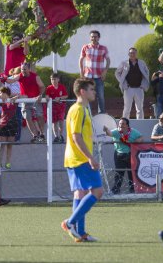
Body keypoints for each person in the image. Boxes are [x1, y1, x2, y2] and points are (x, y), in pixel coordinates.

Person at [61, 78, 102, 243]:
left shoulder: (77, 109)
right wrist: (90, 157)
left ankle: (81, 233)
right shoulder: (78, 109)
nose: (94, 92)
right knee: (98, 192)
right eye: (91, 89)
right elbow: (76, 136)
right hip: (80, 158)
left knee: (80, 193)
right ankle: (70, 223)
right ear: (82, 92)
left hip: (74, 158)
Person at [6, 62, 46, 143]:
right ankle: (35, 135)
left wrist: (40, 95)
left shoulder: (35, 76)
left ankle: (42, 134)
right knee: (27, 117)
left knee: (39, 116)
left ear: (29, 69)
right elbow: (11, 81)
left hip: (35, 99)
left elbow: (42, 86)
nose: (23, 71)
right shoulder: (20, 75)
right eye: (21, 69)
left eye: (24, 69)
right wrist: (3, 77)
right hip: (25, 99)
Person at [103, 118, 142, 194]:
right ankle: (115, 191)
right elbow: (109, 133)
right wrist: (106, 129)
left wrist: (135, 141)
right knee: (119, 173)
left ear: (127, 125)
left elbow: (141, 137)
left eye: (123, 124)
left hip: (130, 155)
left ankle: (133, 190)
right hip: (119, 155)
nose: (121, 125)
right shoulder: (116, 131)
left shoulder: (133, 131)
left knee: (131, 173)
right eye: (120, 123)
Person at [79, 30, 110, 114]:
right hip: (88, 77)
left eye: (95, 37)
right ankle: (87, 112)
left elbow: (108, 60)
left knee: (100, 96)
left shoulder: (103, 48)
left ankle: (102, 113)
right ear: (90, 37)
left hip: (99, 77)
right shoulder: (85, 47)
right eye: (92, 36)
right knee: (86, 95)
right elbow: (81, 60)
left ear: (99, 38)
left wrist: (105, 71)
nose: (94, 38)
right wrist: (81, 72)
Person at [115, 47, 149, 119]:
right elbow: (117, 73)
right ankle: (124, 124)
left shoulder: (141, 63)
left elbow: (146, 73)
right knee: (127, 108)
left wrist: (143, 84)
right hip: (128, 88)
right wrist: (122, 82)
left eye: (134, 53)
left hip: (139, 88)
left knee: (139, 108)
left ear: (136, 54)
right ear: (128, 54)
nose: (132, 54)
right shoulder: (124, 63)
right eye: (131, 53)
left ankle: (140, 124)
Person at [0, 87, 18, 170]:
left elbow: (21, 96)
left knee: (9, 145)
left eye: (0, 93)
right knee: (1, 145)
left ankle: (8, 162)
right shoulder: (0, 101)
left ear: (5, 93)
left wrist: (16, 97)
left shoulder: (12, 100)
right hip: (3, 124)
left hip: (12, 124)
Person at [46, 73, 68, 143]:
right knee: (54, 122)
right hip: (53, 107)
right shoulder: (49, 88)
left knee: (61, 121)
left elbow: (66, 95)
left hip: (61, 107)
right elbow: (47, 96)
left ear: (58, 79)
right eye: (52, 79)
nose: (53, 81)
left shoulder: (62, 87)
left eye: (54, 79)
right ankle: (56, 136)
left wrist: (60, 98)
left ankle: (61, 135)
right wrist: (47, 98)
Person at [4, 67, 23, 141]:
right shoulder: (9, 80)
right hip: (11, 103)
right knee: (9, 120)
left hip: (20, 103)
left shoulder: (22, 80)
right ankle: (9, 137)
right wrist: (18, 95)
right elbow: (7, 93)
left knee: (19, 120)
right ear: (14, 73)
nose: (19, 76)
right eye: (18, 74)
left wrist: (19, 96)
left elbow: (24, 92)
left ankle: (17, 138)